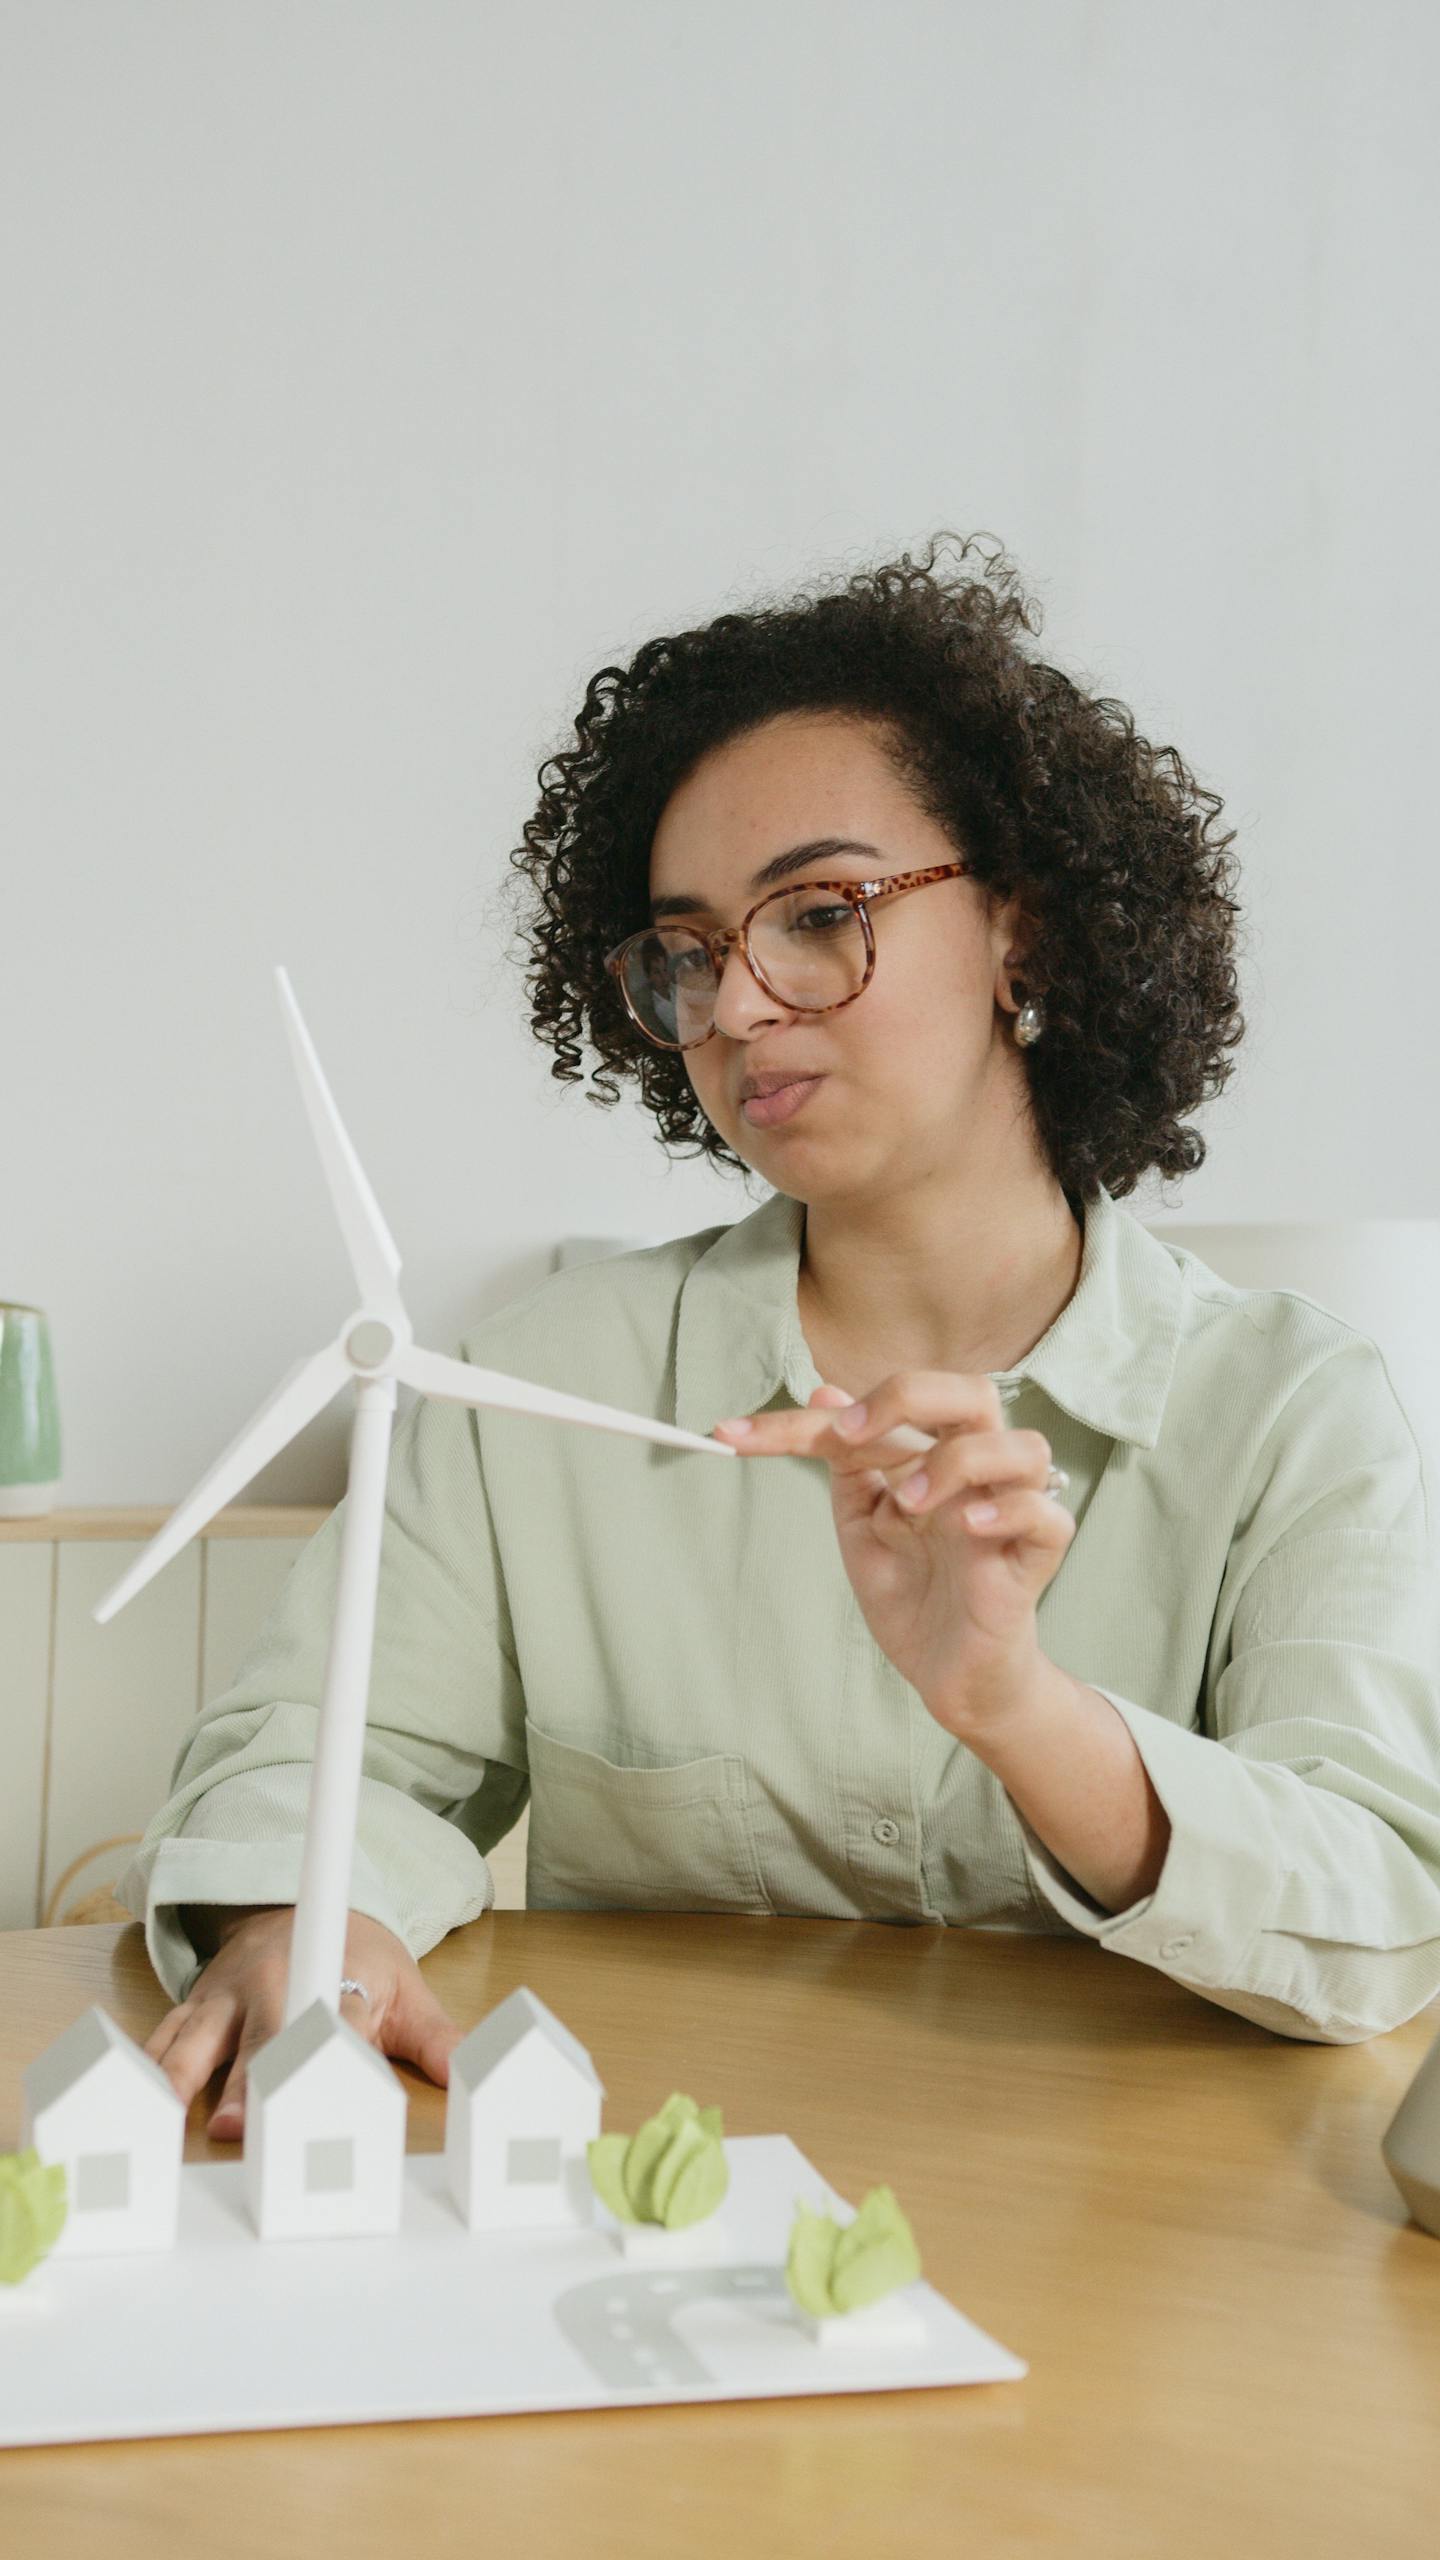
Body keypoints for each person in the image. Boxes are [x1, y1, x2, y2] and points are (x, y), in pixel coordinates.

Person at [121, 530, 1440, 2141]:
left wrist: (1024, 1709)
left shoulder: (1294, 1410)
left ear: (1024, 929)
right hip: (658, 2231)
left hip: (1148, 2253)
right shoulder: (533, 1389)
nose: (737, 1007)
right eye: (687, 953)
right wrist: (302, 1927)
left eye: (818, 912)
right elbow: (317, 1765)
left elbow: (1380, 1912)